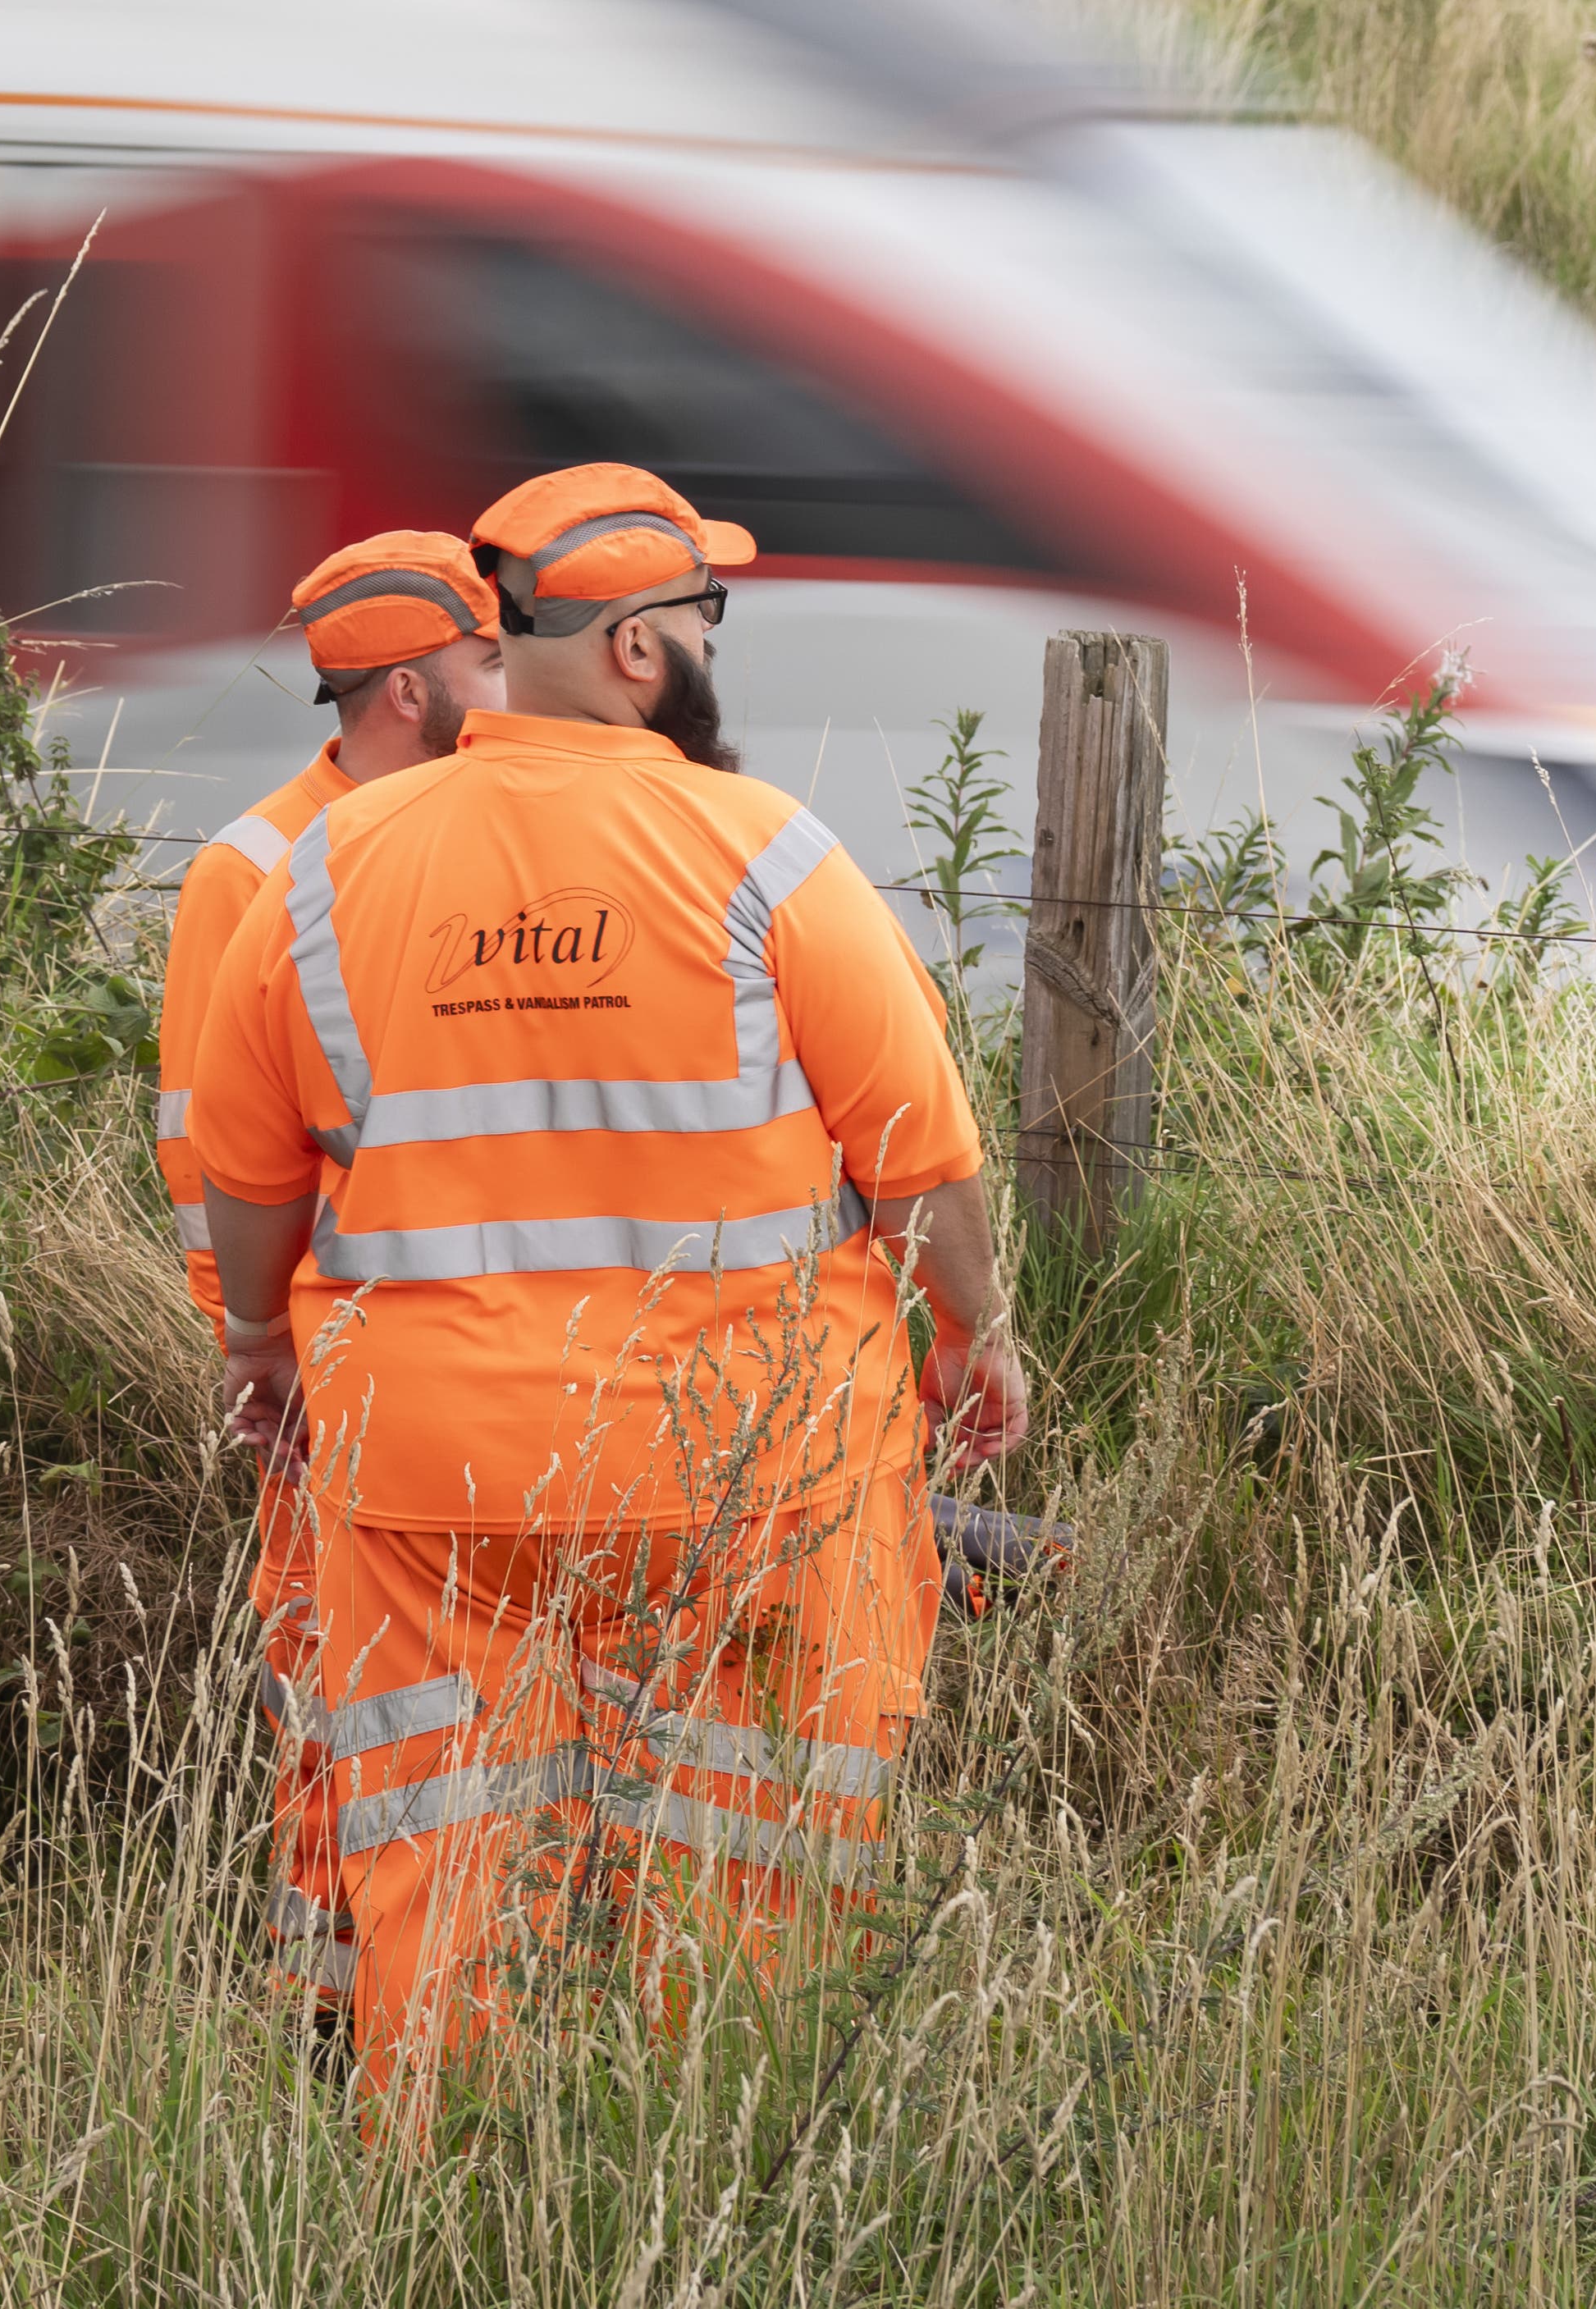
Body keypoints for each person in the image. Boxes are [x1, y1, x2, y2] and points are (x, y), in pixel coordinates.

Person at [184, 460, 1027, 2125]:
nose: (713, 648)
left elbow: (247, 1170)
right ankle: (705, 2160)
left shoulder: (330, 868)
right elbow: (921, 1159)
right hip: (745, 1466)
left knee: (443, 1842)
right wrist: (972, 1337)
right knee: (748, 1840)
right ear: (643, 650)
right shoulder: (766, 856)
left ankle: (448, 2191)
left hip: (435, 1477)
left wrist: (260, 1348)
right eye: (704, 620)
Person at [149, 529, 505, 2013]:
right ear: (413, 691)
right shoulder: (255, 874)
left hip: (470, 1369)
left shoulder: (485, 843)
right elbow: (211, 1164)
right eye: (493, 657)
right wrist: (269, 1361)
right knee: (337, 1693)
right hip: (330, 1378)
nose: (515, 679)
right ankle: (329, 2001)